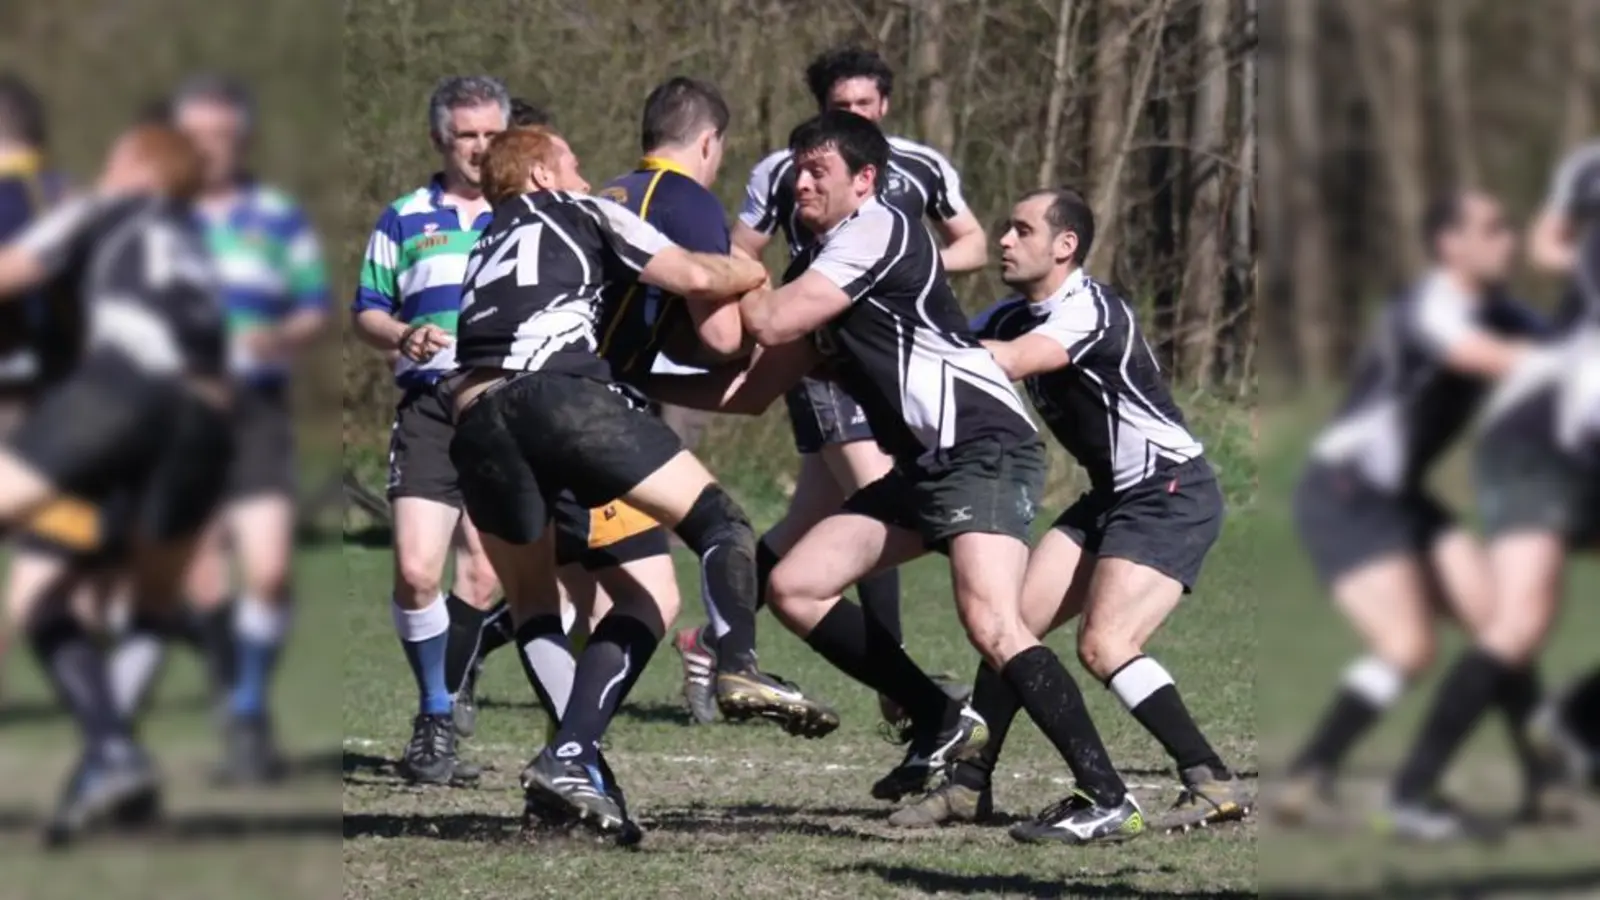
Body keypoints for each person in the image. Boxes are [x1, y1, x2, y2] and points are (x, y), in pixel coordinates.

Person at [651, 111, 1146, 845]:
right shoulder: (820, 271)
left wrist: (723, 266)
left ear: (866, 181)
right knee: (795, 583)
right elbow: (750, 392)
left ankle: (1108, 797)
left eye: (820, 169)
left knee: (994, 625)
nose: (802, 180)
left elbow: (773, 322)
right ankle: (941, 718)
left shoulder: (880, 228)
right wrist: (626, 378)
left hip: (983, 442)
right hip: (927, 464)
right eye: (798, 168)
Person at [446, 123, 797, 841]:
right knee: (719, 522)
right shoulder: (584, 211)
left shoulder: (483, 239)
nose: (586, 176)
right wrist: (753, 272)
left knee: (539, 604)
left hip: (474, 420)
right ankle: (738, 663)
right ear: (542, 175)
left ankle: (570, 765)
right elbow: (695, 278)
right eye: (573, 163)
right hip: (557, 401)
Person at [887, 188, 1251, 836]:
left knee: (1105, 643)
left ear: (1065, 245)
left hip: (1170, 490)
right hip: (1112, 493)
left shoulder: (1089, 310)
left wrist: (924, 357)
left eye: (1021, 229)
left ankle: (1210, 780)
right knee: (1011, 625)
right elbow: (958, 346)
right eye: (1005, 228)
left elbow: (1019, 361)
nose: (1003, 240)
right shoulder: (1006, 314)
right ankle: (971, 787)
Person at [673, 46, 983, 725]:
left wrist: (905, 276)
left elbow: (973, 243)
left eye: (865, 105)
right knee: (874, 501)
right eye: (841, 106)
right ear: (821, 109)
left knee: (809, 523)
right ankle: (898, 685)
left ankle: (711, 641)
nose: (854, 115)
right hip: (822, 357)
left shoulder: (921, 167)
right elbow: (740, 253)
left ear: (885, 107)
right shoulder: (784, 173)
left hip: (884, 353)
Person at [1267, 191, 1550, 830]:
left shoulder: (1503, 310)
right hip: (1348, 490)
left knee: (1502, 620)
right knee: (1408, 644)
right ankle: (1334, 776)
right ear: (1449, 245)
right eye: (1492, 227)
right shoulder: (1428, 307)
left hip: (1403, 495)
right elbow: (1489, 359)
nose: (1507, 237)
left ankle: (1545, 780)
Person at [88, 74, 326, 785]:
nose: (211, 150)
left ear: (243, 140)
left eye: (224, 137)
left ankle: (244, 703)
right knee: (191, 577)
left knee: (271, 566)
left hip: (254, 412)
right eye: (197, 138)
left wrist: (276, 338)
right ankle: (197, 723)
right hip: (167, 419)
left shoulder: (275, 215)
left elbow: (311, 306)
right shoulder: (145, 217)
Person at [0, 122, 232, 845]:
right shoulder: (193, 239)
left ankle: (116, 749)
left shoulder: (106, 206)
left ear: (136, 167)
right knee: (109, 593)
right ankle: (115, 753)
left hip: (118, 395)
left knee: (40, 583)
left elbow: (11, 273)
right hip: (202, 424)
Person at [1375, 148, 1600, 840]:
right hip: (1542, 442)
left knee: (1517, 623)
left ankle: (1576, 725)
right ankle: (1415, 791)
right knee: (1517, 623)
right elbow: (1550, 242)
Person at [349, 75, 506, 785]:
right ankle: (435, 710)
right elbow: (366, 310)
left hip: (509, 408)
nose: (479, 148)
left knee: (489, 568)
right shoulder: (406, 217)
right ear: (441, 140)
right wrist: (403, 332)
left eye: (490, 134)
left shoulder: (528, 213)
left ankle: (455, 709)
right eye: (465, 135)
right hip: (430, 408)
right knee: (417, 572)